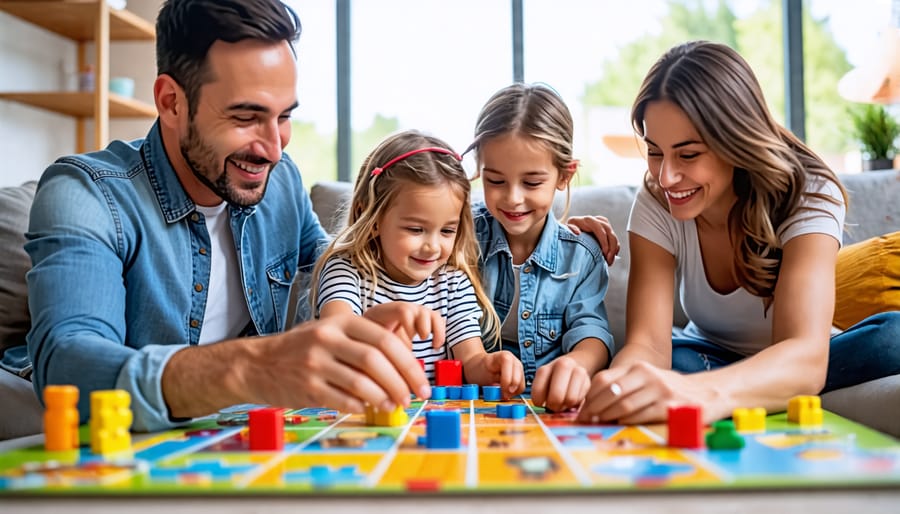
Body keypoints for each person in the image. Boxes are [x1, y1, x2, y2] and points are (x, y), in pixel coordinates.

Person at [18, 0, 433, 432]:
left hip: (246, 433)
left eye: (284, 116)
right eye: (245, 116)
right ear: (171, 102)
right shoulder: (87, 193)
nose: (274, 149)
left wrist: (356, 314)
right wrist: (252, 368)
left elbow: (325, 266)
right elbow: (69, 363)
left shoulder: (281, 179)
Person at [575, 40, 900, 425]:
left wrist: (703, 393)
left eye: (688, 154)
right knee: (675, 361)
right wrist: (619, 385)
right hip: (705, 355)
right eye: (655, 151)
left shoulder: (810, 192)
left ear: (735, 141)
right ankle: (759, 394)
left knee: (891, 337)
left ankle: (755, 391)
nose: (666, 177)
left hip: (801, 360)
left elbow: (803, 352)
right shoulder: (655, 199)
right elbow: (648, 345)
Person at [311, 130, 525, 396]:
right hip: (364, 413)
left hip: (433, 418)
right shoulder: (346, 271)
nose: (432, 247)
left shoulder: (453, 283)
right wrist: (378, 322)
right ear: (372, 217)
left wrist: (492, 365)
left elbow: (472, 362)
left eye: (447, 231)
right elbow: (334, 339)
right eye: (415, 229)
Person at [463, 83, 616, 412]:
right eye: (495, 181)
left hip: (545, 402)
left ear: (564, 175)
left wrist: (577, 364)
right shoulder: (459, 237)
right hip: (469, 400)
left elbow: (591, 331)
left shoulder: (581, 256)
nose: (513, 198)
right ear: (479, 171)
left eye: (532, 182)